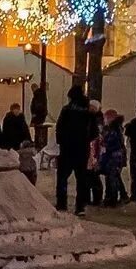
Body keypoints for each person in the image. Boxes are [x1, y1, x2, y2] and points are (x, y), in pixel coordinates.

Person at [55, 85, 99, 215]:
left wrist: (62, 142)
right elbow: (94, 132)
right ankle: (80, 206)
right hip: (82, 149)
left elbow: (59, 128)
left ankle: (62, 204)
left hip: (67, 149)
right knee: (82, 179)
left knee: (62, 177)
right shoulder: (88, 112)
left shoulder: (66, 110)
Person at [100, 111, 128, 207]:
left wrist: (103, 144)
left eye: (106, 118)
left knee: (112, 178)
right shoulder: (116, 129)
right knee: (114, 177)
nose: (105, 120)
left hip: (113, 158)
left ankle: (112, 199)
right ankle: (118, 197)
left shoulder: (113, 130)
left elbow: (110, 144)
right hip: (116, 157)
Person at [86, 100, 105, 208]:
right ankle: (90, 198)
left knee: (93, 176)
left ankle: (96, 198)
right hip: (91, 151)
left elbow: (97, 138)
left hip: (93, 152)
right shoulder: (94, 119)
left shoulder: (96, 120)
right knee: (89, 176)